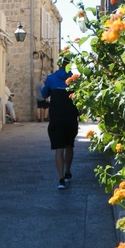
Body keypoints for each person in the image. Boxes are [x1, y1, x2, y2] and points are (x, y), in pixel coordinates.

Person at [42, 57, 79, 189]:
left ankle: (60, 178)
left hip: (56, 118)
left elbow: (44, 94)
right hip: (71, 118)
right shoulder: (75, 80)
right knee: (69, 145)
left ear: (58, 64)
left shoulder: (51, 78)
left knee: (59, 149)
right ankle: (68, 171)